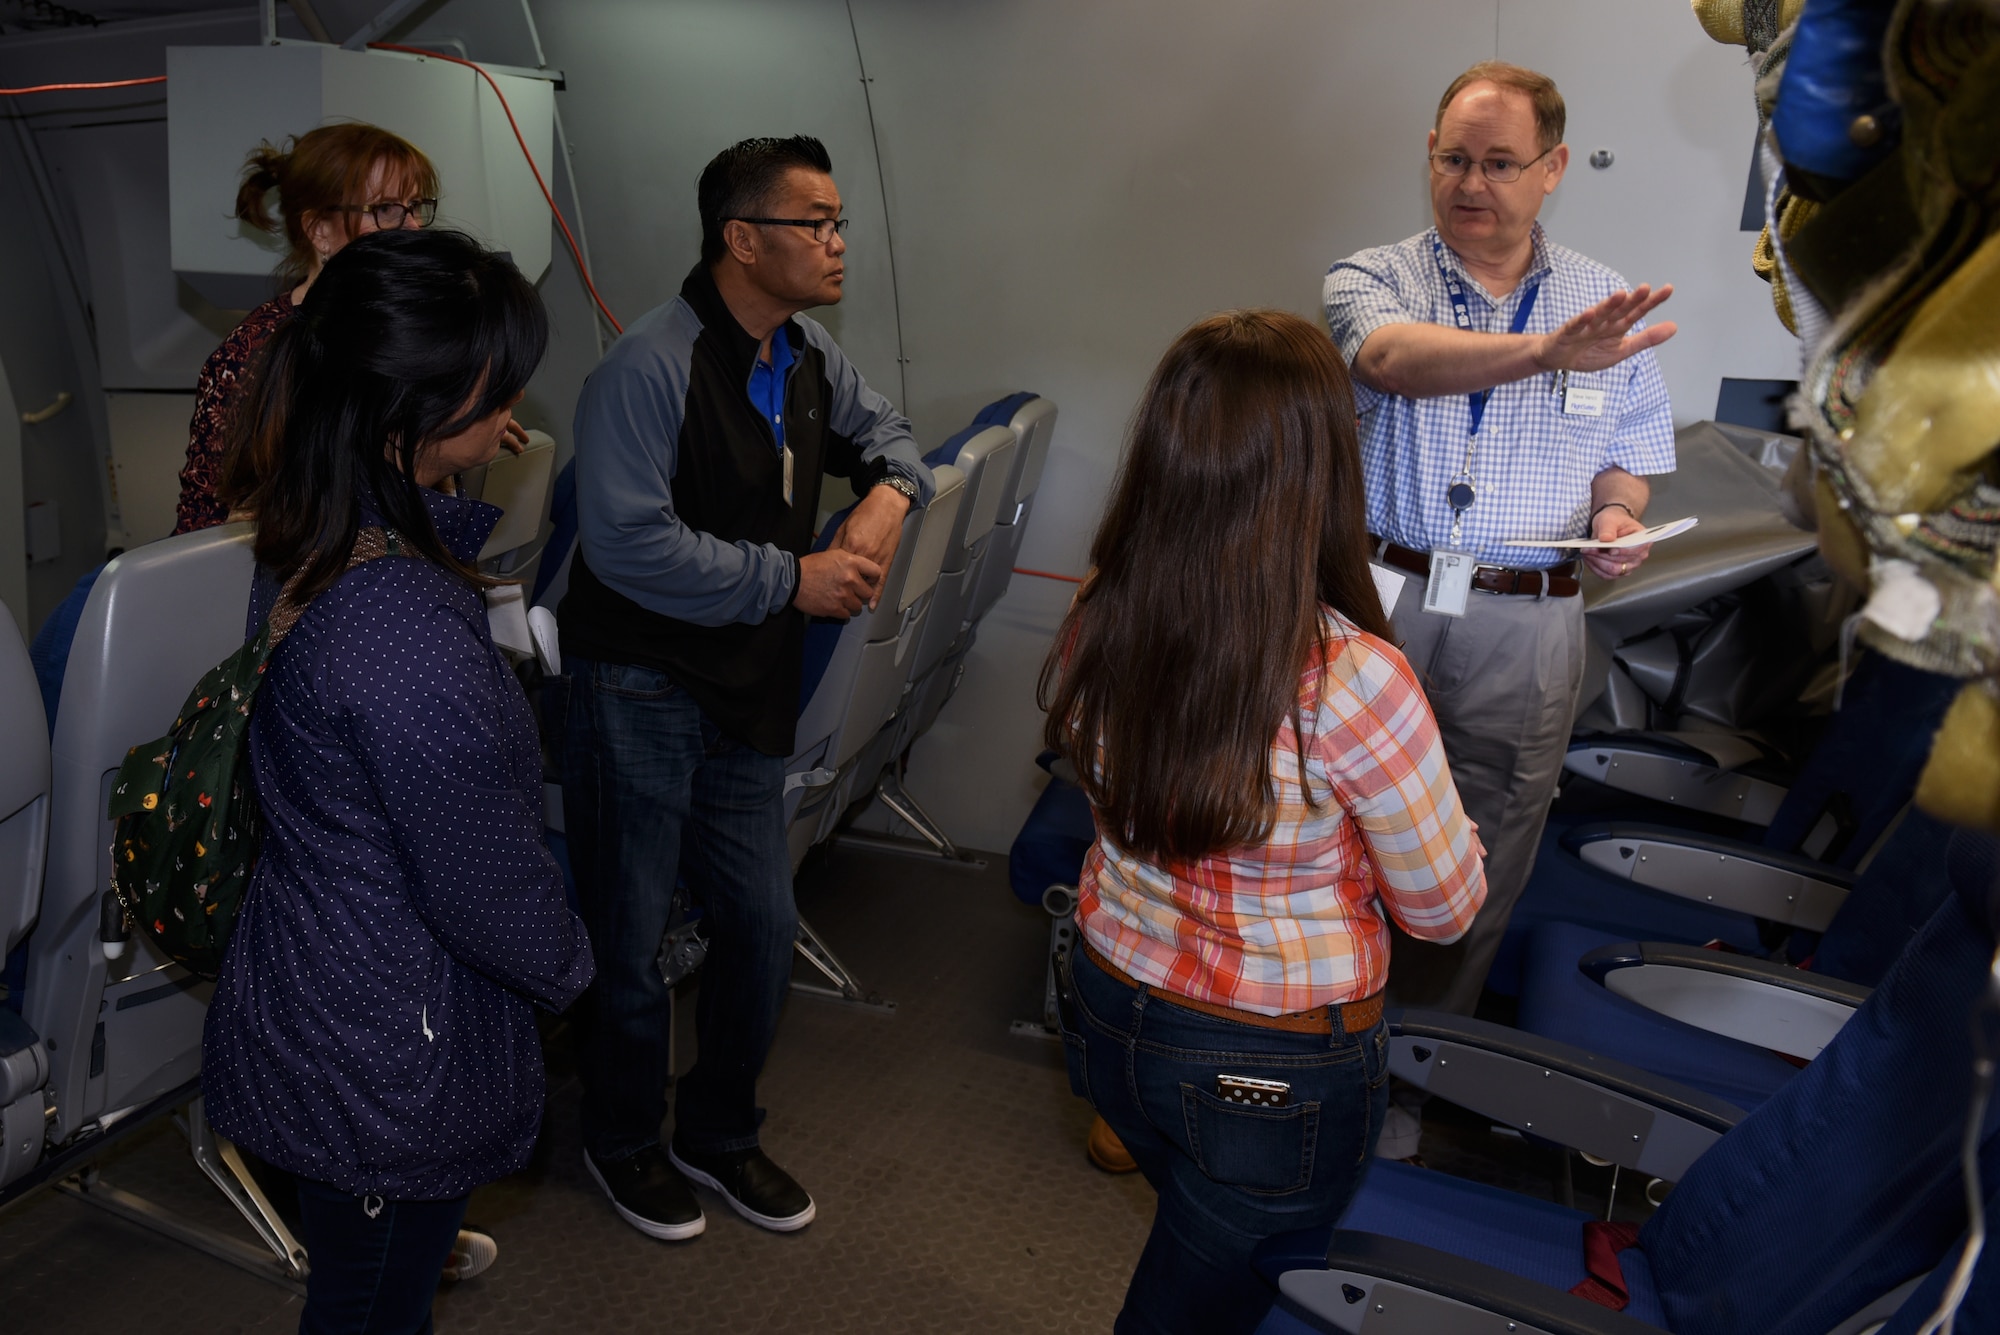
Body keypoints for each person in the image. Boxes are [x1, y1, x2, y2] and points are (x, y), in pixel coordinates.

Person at [1043, 310, 1487, 1335]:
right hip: (1268, 1067)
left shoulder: (1100, 612)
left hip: (1110, 1007)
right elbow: (1443, 912)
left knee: (1200, 1243)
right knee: (1192, 1305)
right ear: (1321, 466)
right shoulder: (1352, 679)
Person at [200, 227, 593, 1333]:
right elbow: (480, 883)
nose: (513, 398)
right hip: (386, 1040)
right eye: (493, 380)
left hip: (330, 979)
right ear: (408, 413)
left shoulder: (317, 528)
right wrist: (574, 965)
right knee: (373, 1308)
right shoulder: (399, 626)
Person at [558, 134, 932, 1241]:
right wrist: (796, 577)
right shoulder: (645, 367)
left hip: (740, 687)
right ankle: (622, 1139)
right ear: (740, 240)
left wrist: (883, 503)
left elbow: (893, 440)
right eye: (813, 224)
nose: (836, 244)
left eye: (836, 223)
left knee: (760, 931)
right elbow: (626, 548)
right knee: (626, 945)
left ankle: (719, 1134)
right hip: (635, 684)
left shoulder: (807, 352)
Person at [1323, 61, 1678, 1027]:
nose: (1470, 183)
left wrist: (1614, 516)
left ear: (1553, 167)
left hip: (1529, 617)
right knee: (1330, 828)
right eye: (1452, 159)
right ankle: (1314, 1047)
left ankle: (1407, 1082)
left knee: (1486, 851)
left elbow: (1626, 461)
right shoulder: (1372, 276)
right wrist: (1542, 352)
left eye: (1498, 163)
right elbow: (1388, 360)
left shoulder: (1610, 303)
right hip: (1377, 598)